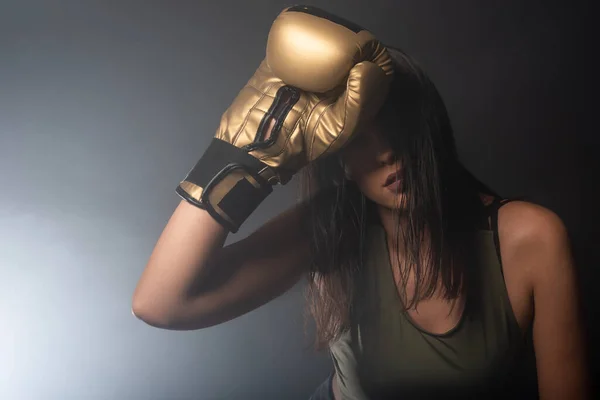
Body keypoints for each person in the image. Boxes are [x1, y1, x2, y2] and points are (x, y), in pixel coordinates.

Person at [132, 5, 589, 400]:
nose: (386, 151)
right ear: (340, 159)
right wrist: (243, 157)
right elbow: (161, 303)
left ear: (430, 127)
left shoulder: (529, 237)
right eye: (359, 139)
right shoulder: (337, 221)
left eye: (398, 127)